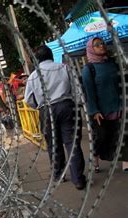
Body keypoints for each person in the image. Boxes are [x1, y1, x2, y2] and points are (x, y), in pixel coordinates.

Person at [24, 45, 86, 190]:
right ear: (51, 55)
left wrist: (39, 106)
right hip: (66, 106)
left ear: (37, 59)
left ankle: (59, 174)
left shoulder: (33, 76)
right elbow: (76, 89)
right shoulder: (64, 68)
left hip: (46, 110)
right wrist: (78, 104)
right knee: (72, 143)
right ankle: (78, 179)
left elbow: (28, 99)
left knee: (53, 144)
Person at [81, 37, 127, 172]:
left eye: (102, 43)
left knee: (122, 133)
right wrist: (94, 111)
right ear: (91, 49)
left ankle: (125, 162)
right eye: (97, 45)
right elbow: (89, 92)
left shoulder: (112, 63)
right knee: (101, 137)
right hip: (100, 111)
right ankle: (95, 156)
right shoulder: (88, 69)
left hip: (117, 106)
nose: (101, 46)